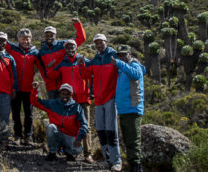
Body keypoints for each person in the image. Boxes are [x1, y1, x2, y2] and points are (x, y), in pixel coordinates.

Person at [0, 15, 43, 144]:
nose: (25, 41)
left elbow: (41, 68)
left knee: (29, 113)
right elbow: (1, 38)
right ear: (18, 39)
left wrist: (38, 80)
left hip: (28, 88)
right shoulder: (13, 49)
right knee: (15, 112)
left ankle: (28, 136)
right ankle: (17, 135)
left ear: (31, 39)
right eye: (22, 39)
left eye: (27, 38)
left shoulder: (35, 52)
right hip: (15, 88)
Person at [48, 39, 94, 163]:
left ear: (76, 47)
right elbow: (52, 76)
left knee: (86, 126)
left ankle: (87, 153)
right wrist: (52, 65)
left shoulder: (82, 59)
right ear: (65, 49)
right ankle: (72, 151)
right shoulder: (62, 62)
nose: (70, 49)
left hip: (83, 98)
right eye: (67, 47)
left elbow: (92, 74)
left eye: (72, 46)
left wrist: (92, 90)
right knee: (71, 126)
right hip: (70, 100)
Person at [83, 33, 122, 172]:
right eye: (96, 43)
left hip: (110, 98)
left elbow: (121, 71)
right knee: (101, 131)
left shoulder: (113, 55)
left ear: (106, 42)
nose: (99, 45)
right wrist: (83, 64)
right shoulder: (96, 58)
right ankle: (107, 160)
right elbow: (88, 75)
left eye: (101, 42)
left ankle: (117, 161)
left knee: (111, 132)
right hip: (98, 100)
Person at [31, 81, 88, 162]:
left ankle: (68, 152)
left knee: (78, 149)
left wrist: (79, 139)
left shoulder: (76, 107)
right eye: (63, 93)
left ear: (71, 95)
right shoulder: (52, 104)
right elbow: (35, 102)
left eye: (67, 94)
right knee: (50, 127)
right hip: (57, 134)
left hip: (69, 136)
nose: (65, 96)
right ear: (59, 94)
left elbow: (84, 124)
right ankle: (52, 153)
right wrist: (34, 90)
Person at [112, 45, 145, 172]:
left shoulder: (134, 66)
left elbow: (136, 75)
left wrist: (119, 63)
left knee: (133, 140)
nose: (121, 57)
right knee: (127, 139)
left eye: (124, 54)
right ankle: (132, 165)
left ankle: (136, 167)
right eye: (119, 55)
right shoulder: (121, 69)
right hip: (123, 110)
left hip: (133, 109)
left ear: (130, 54)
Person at [38, 18, 86, 99]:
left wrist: (78, 24)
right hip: (51, 85)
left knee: (65, 108)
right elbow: (41, 67)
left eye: (51, 35)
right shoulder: (42, 51)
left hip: (64, 84)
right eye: (47, 35)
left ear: (55, 35)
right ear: (44, 36)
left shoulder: (63, 45)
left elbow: (81, 39)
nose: (49, 37)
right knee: (53, 109)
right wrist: (46, 79)